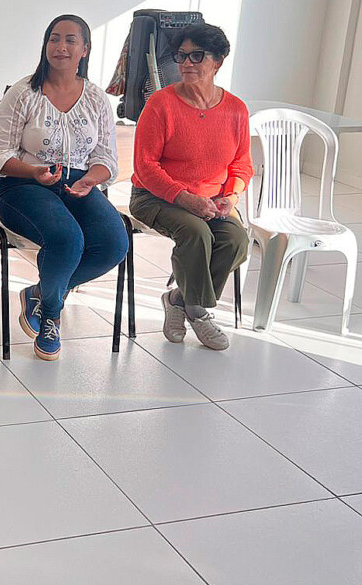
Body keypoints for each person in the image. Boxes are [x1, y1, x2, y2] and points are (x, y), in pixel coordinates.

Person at [0, 14, 128, 361]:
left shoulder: (96, 99)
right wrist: (34, 172)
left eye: (69, 40)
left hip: (77, 185)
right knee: (67, 238)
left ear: (85, 49)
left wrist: (90, 179)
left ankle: (41, 293)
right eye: (54, 38)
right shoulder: (23, 93)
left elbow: (106, 158)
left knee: (114, 243)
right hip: (22, 185)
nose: (60, 47)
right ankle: (51, 316)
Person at [129, 22, 252, 351]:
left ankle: (177, 299)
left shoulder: (236, 109)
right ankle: (198, 311)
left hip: (211, 200)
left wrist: (232, 195)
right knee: (196, 233)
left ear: (218, 62)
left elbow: (241, 163)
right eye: (181, 55)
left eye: (197, 56)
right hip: (154, 197)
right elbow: (145, 166)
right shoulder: (161, 104)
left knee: (236, 240)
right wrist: (185, 198)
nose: (186, 63)